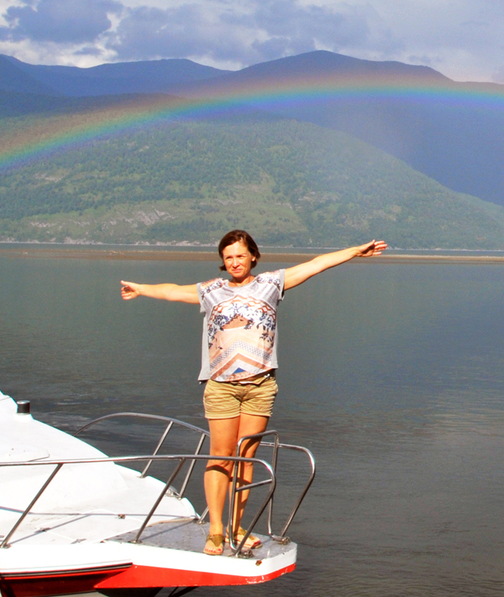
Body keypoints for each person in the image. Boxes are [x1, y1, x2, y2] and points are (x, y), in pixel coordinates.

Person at [119, 230, 387, 554]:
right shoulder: (211, 291)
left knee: (245, 457)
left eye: (240, 256)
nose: (234, 262)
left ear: (253, 257)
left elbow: (316, 265)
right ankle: (216, 529)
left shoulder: (271, 284)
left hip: (260, 387)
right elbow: (173, 291)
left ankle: (236, 525)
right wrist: (141, 288)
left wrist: (356, 251)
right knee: (221, 456)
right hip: (221, 388)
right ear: (223, 261)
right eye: (228, 257)